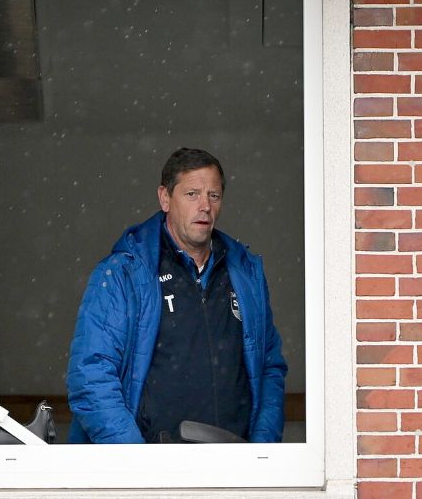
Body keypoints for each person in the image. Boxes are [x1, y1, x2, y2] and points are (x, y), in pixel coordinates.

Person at [65, 147, 287, 444]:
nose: (205, 206)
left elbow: (269, 368)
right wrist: (136, 464)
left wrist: (262, 452)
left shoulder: (245, 273)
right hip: (154, 470)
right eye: (192, 194)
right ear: (165, 198)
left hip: (235, 470)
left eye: (214, 195)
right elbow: (90, 377)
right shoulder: (125, 273)